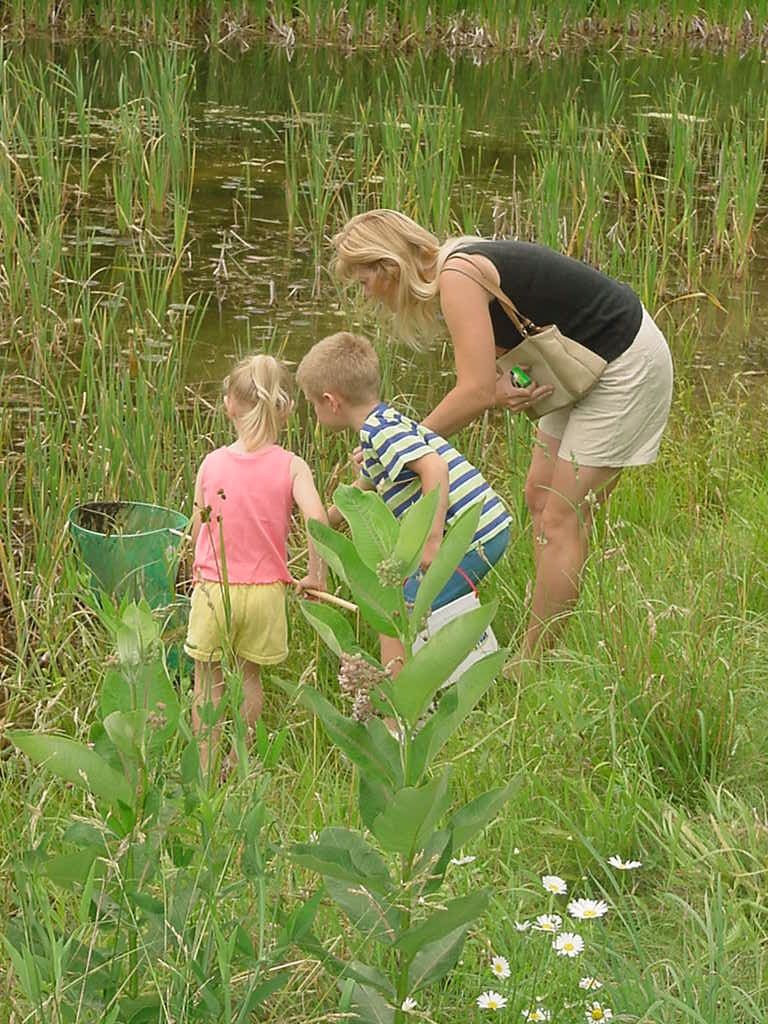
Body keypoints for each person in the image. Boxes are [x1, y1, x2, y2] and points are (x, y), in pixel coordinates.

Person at [331, 210, 674, 660]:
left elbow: (472, 391)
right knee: (538, 495)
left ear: (389, 268)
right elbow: (492, 374)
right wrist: (499, 388)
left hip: (624, 364)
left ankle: (533, 661)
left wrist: (397, 441)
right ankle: (546, 629)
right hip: (583, 364)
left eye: (363, 282)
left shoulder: (457, 276)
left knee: (559, 517)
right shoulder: (453, 270)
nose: (366, 295)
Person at [296, 331, 511, 674]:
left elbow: (435, 468)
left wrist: (431, 542)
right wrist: (318, 524)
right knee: (424, 603)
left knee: (396, 613)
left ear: (331, 401)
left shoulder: (379, 432)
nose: (314, 411)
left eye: (312, 403)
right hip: (485, 527)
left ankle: (398, 711)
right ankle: (473, 669)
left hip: (471, 536)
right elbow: (358, 495)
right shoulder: (383, 424)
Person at [185, 353, 327, 771]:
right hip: (266, 593)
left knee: (206, 685)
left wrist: (192, 564)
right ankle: (237, 758)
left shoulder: (212, 462)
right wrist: (315, 575)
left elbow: (198, 524)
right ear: (286, 410)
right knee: (249, 679)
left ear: (229, 403)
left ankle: (206, 764)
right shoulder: (292, 466)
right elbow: (317, 518)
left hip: (214, 590)